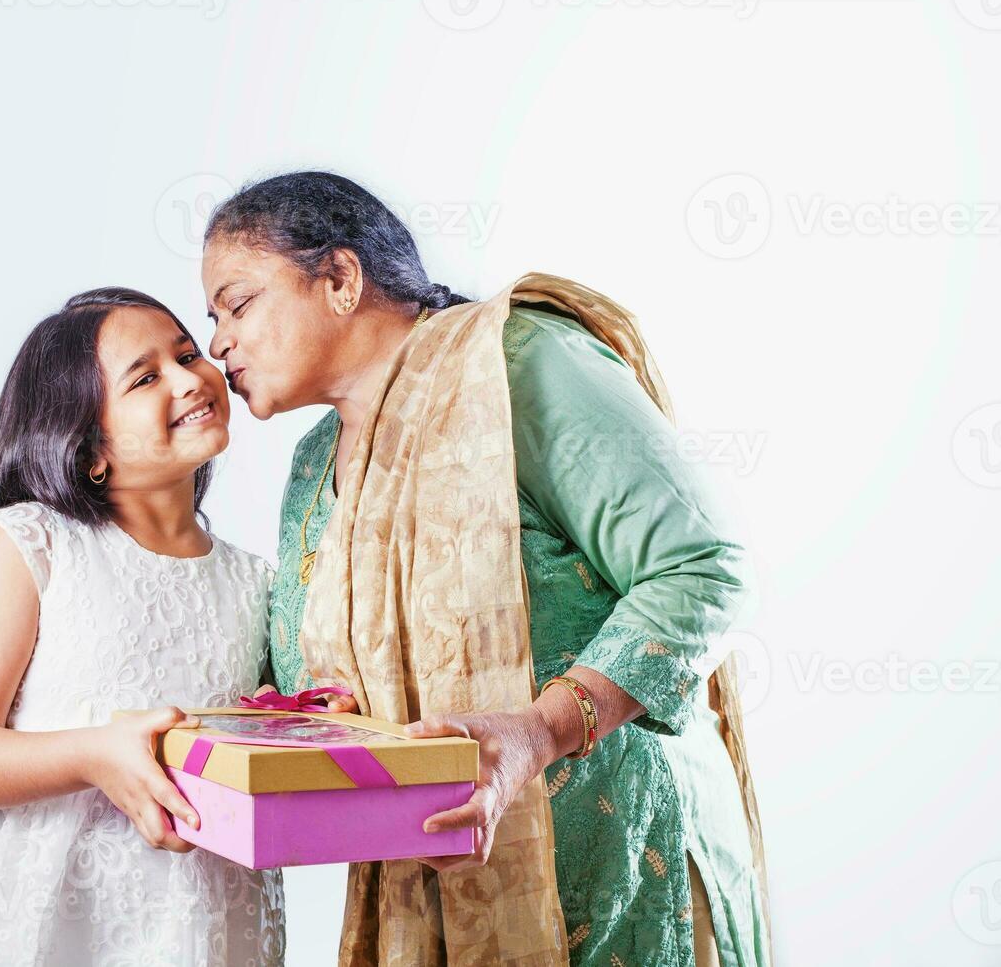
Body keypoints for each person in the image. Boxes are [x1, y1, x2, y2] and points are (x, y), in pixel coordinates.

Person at [203, 172, 770, 967]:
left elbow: (703, 567)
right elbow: (330, 681)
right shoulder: (313, 464)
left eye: (238, 304)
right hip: (433, 882)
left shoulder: (518, 366)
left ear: (338, 279)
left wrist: (538, 732)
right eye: (213, 319)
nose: (218, 342)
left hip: (617, 873)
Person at [0, 288, 285, 966]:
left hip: (195, 925)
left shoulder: (253, 582)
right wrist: (93, 755)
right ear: (90, 449)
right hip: (45, 927)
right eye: (147, 376)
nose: (193, 377)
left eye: (188, 353)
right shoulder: (29, 548)